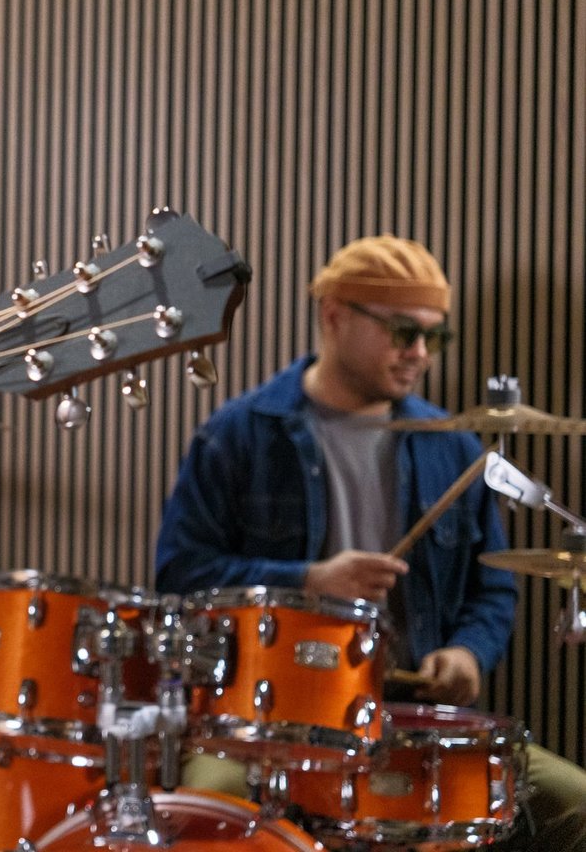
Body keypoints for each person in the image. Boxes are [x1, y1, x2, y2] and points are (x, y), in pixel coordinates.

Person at [154, 235, 586, 850]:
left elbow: (492, 589)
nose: (420, 354)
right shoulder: (240, 435)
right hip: (267, 723)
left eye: (435, 337)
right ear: (334, 316)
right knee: (210, 818)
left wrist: (468, 654)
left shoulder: (451, 447)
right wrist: (308, 581)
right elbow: (179, 576)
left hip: (410, 717)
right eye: (404, 332)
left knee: (577, 807)